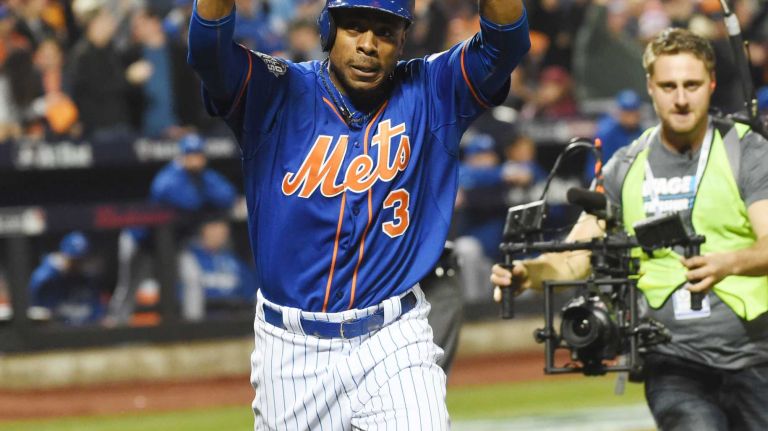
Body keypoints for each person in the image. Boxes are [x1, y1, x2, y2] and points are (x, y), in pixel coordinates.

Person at [188, 0, 529, 428]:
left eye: (385, 31)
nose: (368, 45)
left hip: (395, 337)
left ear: (404, 38)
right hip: (292, 350)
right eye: (354, 28)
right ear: (328, 30)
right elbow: (208, 49)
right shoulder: (275, 90)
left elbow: (506, 43)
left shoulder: (432, 89)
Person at [492, 28, 768, 430]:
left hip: (756, 355)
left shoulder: (747, 149)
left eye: (691, 85)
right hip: (672, 361)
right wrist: (526, 275)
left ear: (710, 84)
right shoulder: (625, 165)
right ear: (650, 88)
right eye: (668, 85)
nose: (681, 97)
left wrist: (730, 262)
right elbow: (574, 260)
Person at [178, 215, 257, 321]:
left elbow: (251, 293)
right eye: (214, 226)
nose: (221, 231)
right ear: (203, 229)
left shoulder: (233, 260)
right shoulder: (189, 258)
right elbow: (186, 300)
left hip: (235, 322)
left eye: (223, 227)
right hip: (202, 325)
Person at [28, 231, 105, 325]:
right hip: (55, 334)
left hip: (85, 333)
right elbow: (37, 312)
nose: (77, 265)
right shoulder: (46, 278)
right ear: (64, 255)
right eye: (74, 260)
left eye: (81, 261)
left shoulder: (88, 279)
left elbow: (97, 310)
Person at [583, 88, 644, 184]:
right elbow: (595, 169)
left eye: (634, 111)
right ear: (620, 112)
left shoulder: (641, 132)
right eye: (627, 112)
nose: (631, 117)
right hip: (606, 182)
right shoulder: (606, 133)